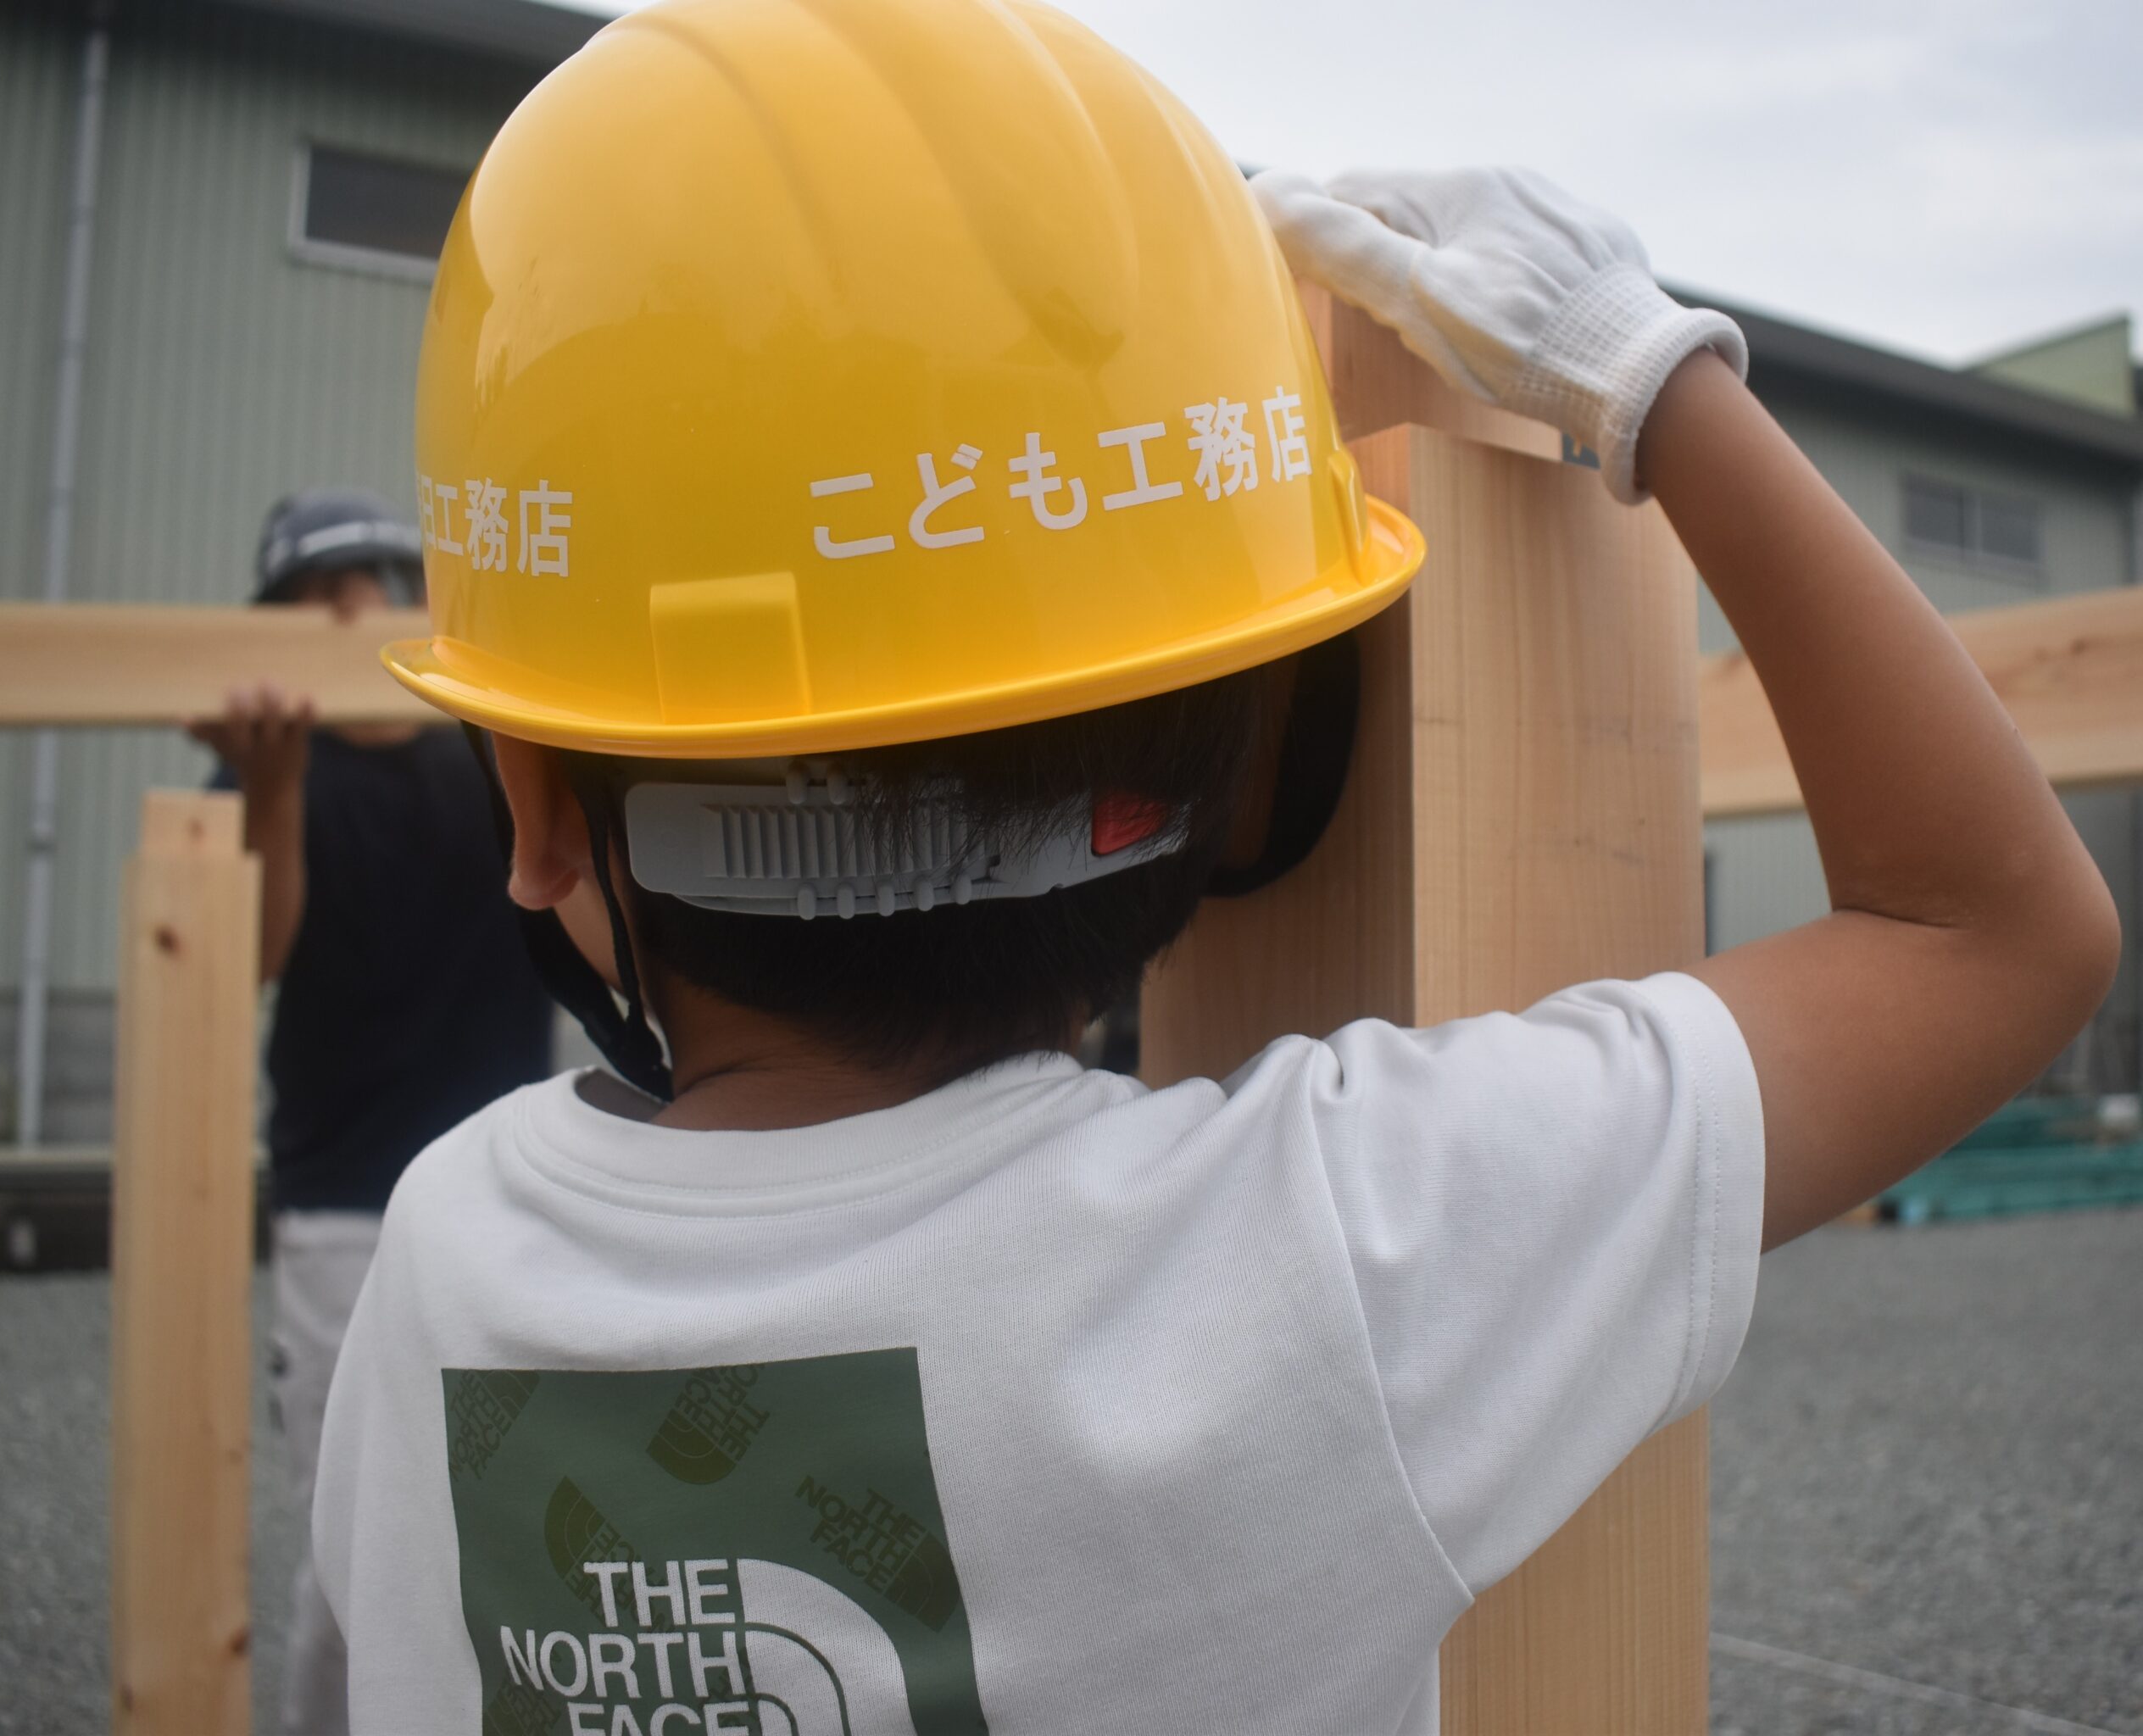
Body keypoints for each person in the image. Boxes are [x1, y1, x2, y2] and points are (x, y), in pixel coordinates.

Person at [310, 5, 2119, 1732]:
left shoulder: (432, 1273)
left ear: (536, 804)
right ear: (1252, 776)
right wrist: (1656, 381)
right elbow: (1992, 930)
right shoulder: (1317, 1259)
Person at [186, 489, 555, 1736]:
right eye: (320, 591)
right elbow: (243, 956)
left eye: (381, 580)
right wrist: (272, 790)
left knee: (510, 1524)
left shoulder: (491, 752)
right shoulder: (269, 769)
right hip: (343, 1197)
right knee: (356, 1551)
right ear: (278, 626)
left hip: (511, 1192)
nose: (354, 608)